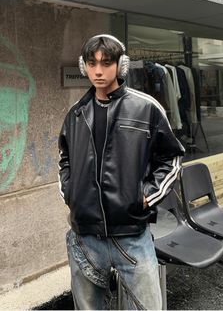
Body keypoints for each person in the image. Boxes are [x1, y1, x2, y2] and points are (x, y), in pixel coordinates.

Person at [58, 34, 185, 310]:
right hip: (85, 237)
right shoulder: (76, 114)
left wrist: (145, 196)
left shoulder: (146, 108)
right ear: (84, 66)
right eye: (92, 64)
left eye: (106, 63)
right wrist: (71, 194)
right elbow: (64, 159)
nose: (98, 71)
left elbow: (172, 158)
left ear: (121, 64)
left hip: (131, 234)